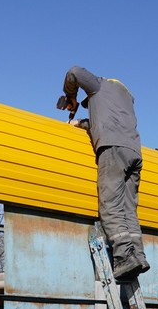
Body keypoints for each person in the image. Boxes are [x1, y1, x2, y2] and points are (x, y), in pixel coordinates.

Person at [57, 67, 150, 279]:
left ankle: (124, 256)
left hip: (113, 149)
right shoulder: (125, 102)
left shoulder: (100, 85)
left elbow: (74, 72)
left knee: (110, 204)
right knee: (128, 208)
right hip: (134, 152)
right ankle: (138, 254)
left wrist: (71, 96)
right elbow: (105, 122)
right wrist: (80, 124)